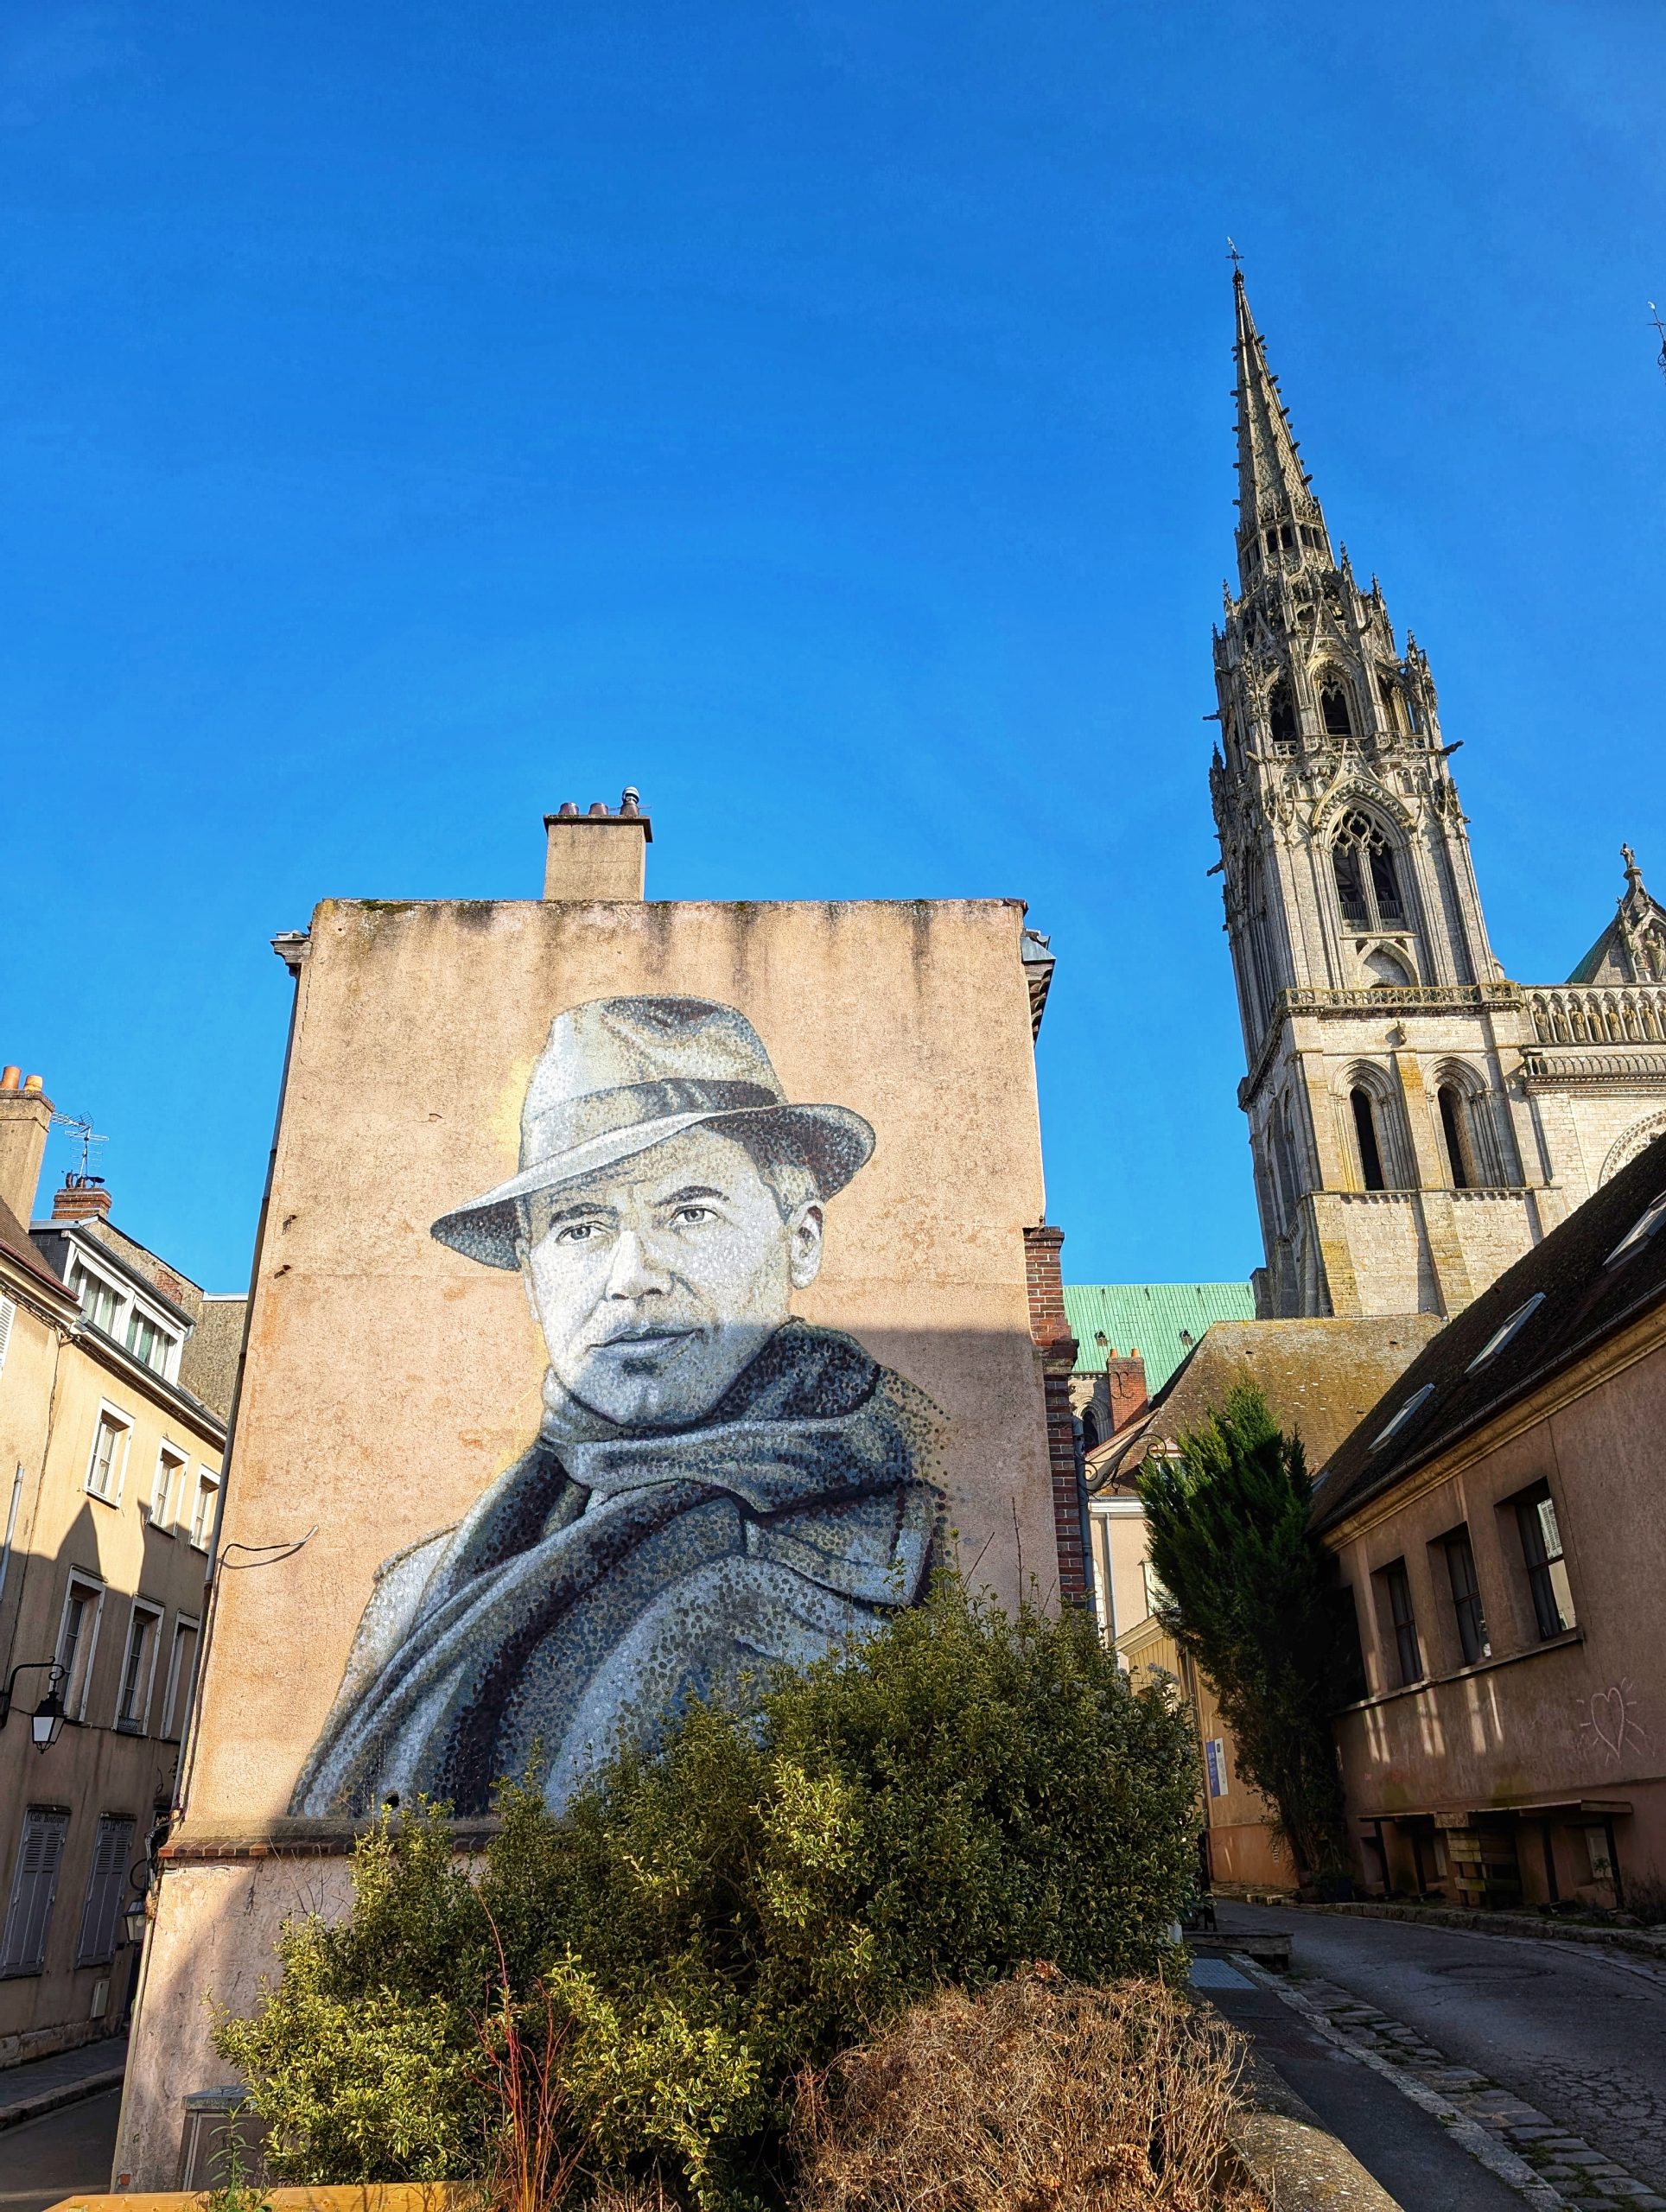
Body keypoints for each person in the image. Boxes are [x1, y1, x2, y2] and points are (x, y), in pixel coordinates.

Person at [290, 995, 944, 1819]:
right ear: (532, 1281)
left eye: (690, 1212)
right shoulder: (416, 1590)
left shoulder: (915, 1542)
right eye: (580, 1228)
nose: (631, 1276)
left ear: (800, 1242)